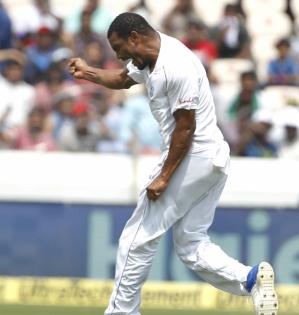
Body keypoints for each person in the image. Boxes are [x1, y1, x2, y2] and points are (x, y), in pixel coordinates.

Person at [68, 13, 278, 315]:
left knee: (136, 238)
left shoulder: (175, 65)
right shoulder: (149, 57)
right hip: (213, 159)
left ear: (135, 38)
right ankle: (249, 279)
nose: (118, 55)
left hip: (193, 155)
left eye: (118, 48)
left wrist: (165, 176)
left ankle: (121, 311)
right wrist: (88, 72)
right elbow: (122, 79)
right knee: (190, 244)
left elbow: (185, 129)